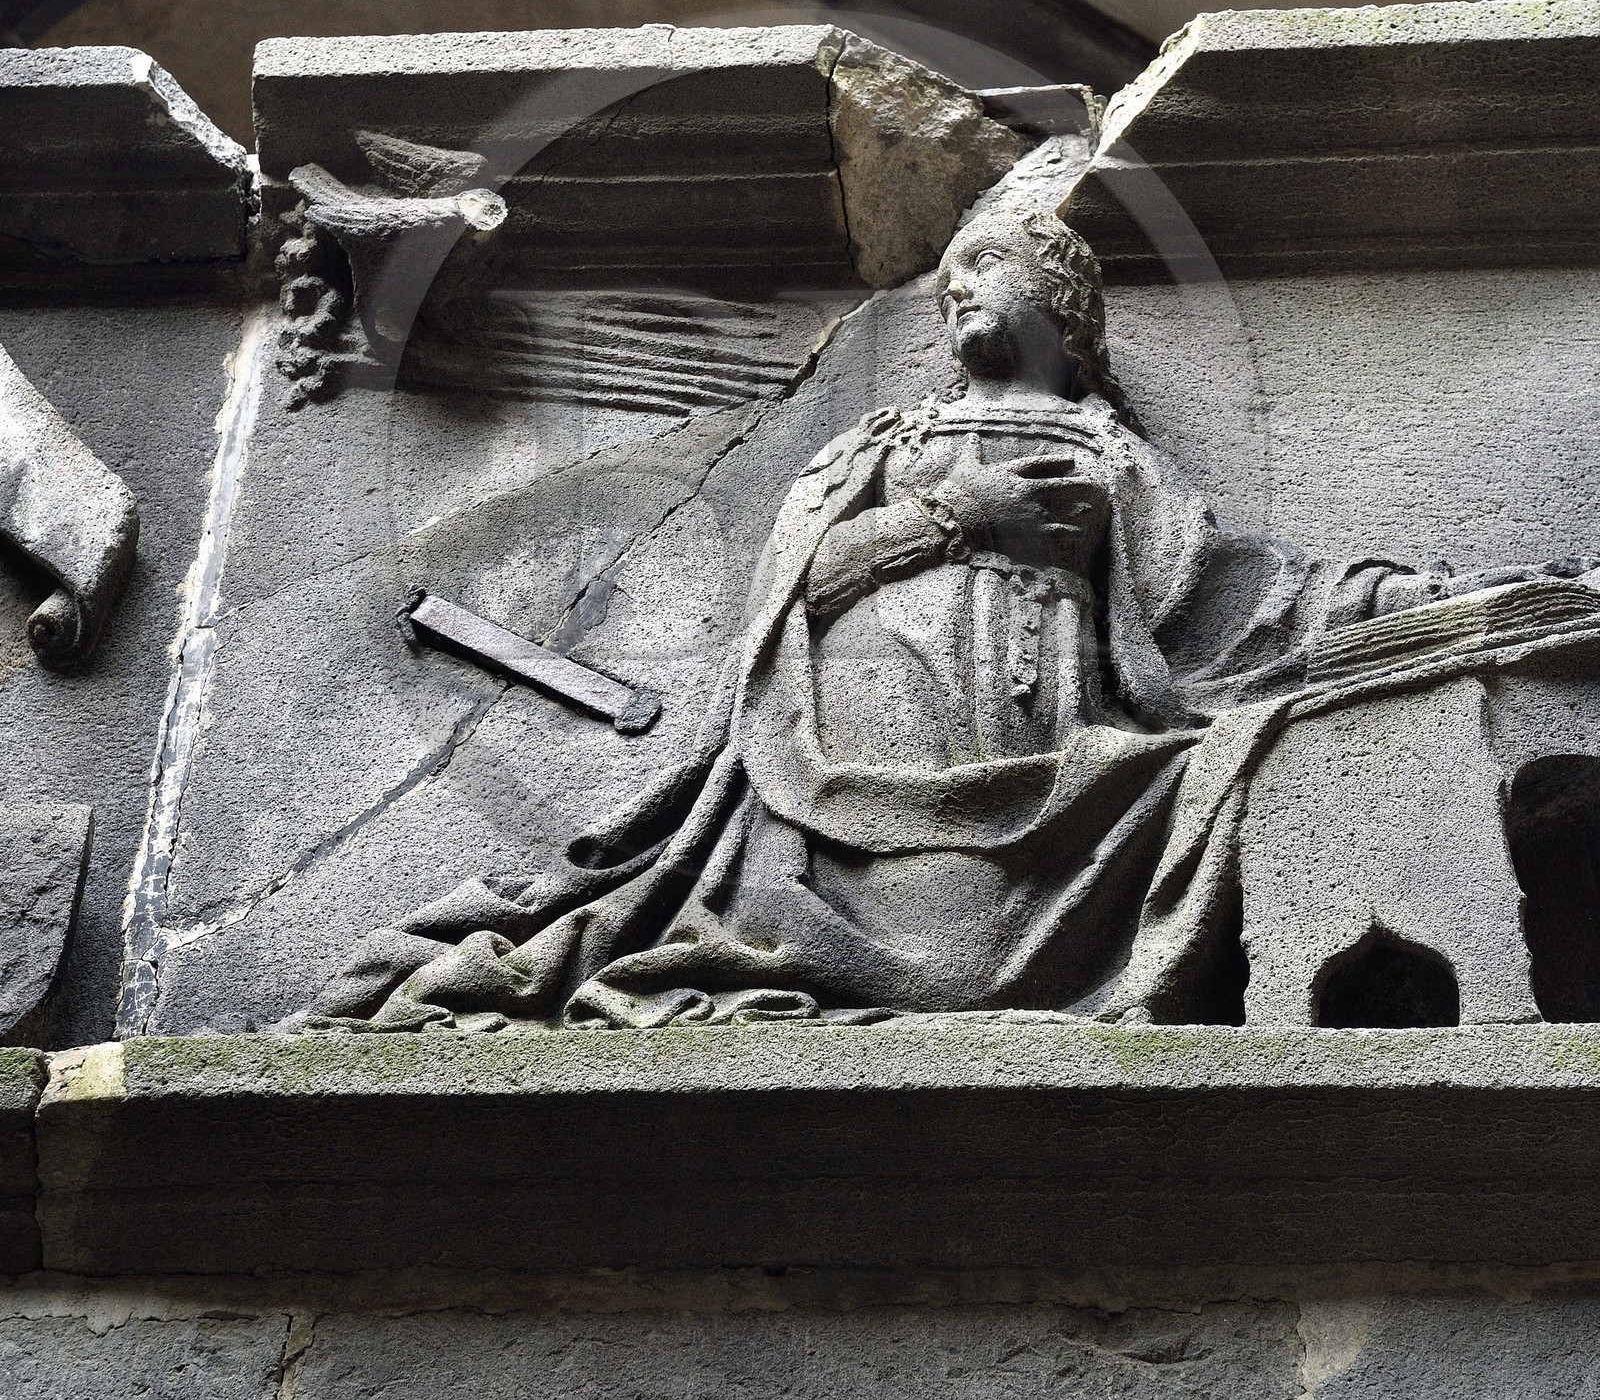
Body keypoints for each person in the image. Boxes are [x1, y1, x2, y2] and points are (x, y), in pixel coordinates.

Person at [307, 198, 1571, 1031]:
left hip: (1050, 727)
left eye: (991, 270)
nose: (958, 290)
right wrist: (952, 518)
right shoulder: (882, 436)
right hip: (869, 718)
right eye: (951, 276)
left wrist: (1444, 597)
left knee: (974, 968)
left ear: (1061, 308)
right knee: (905, 962)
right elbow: (794, 587)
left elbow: (1237, 594)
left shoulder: (1109, 449)